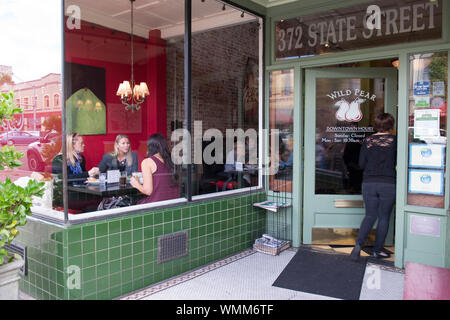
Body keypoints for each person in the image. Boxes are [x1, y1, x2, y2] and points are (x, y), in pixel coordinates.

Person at [350, 113, 397, 260]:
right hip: (388, 183)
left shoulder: (368, 141)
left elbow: (361, 164)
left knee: (370, 215)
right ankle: (377, 250)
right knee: (384, 217)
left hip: (369, 183)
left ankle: (358, 246)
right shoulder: (395, 141)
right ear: (391, 125)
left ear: (376, 125)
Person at [130, 133, 179, 203]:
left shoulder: (147, 162)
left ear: (150, 146)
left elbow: (147, 191)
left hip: (155, 205)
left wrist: (136, 184)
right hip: (174, 203)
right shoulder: (171, 160)